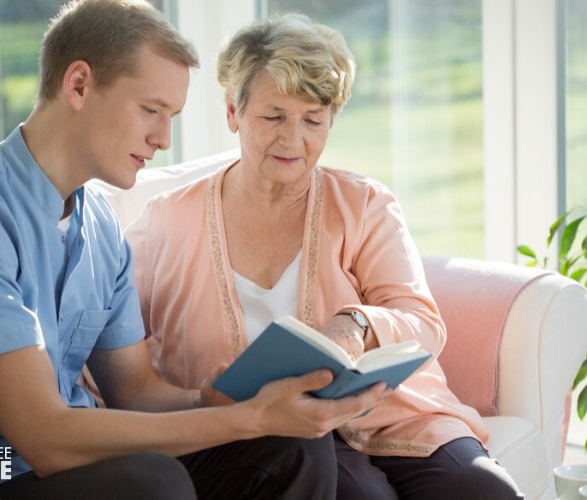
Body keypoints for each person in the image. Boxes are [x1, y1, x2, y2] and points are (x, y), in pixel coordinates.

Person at [0, 2, 386, 499]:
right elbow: (45, 440)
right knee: (151, 481)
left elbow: (137, 393)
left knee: (291, 448)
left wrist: (207, 399)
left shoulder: (99, 225)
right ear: (78, 85)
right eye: (151, 110)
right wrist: (242, 419)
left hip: (75, 458)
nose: (164, 139)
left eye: (172, 116)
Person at [126, 13, 525, 500]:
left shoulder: (364, 205)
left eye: (313, 120)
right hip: (276, 436)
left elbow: (421, 321)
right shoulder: (163, 224)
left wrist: (356, 323)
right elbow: (113, 352)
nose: (293, 139)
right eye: (273, 116)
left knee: (487, 491)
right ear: (233, 111)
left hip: (396, 414)